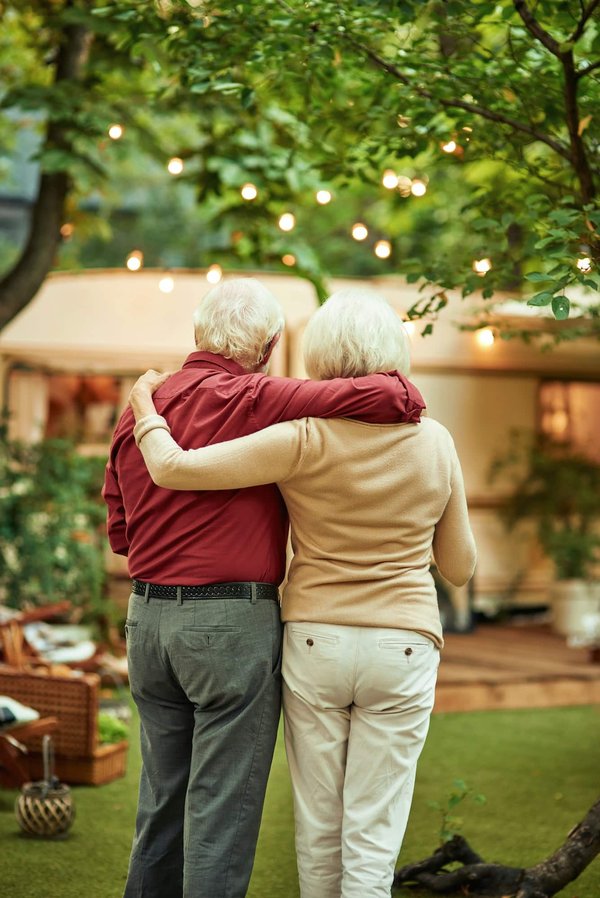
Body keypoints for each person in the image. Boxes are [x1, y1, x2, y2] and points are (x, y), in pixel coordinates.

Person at [129, 287, 477, 898]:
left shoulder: (300, 437)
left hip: (315, 640)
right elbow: (458, 567)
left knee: (318, 826)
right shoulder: (437, 443)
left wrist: (142, 404)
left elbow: (176, 470)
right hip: (403, 645)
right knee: (373, 832)